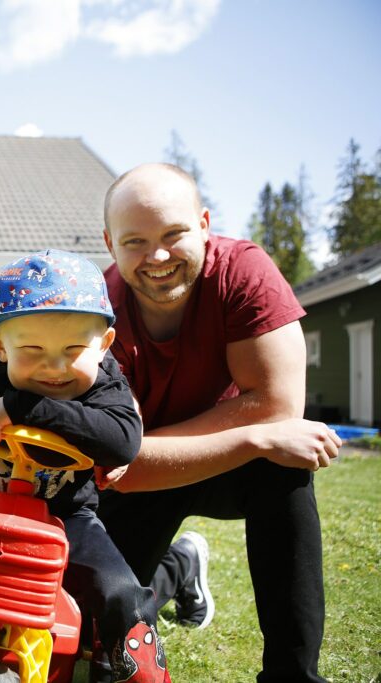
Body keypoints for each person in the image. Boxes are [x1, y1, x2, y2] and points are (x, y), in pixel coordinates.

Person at [97, 163, 342, 682]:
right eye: (136, 241)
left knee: (285, 466)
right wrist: (252, 432)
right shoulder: (98, 313)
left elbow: (278, 408)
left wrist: (259, 435)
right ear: (110, 243)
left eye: (174, 234)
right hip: (151, 478)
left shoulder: (244, 271)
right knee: (100, 633)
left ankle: (293, 675)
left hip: (237, 467)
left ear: (204, 224)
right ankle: (177, 569)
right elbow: (120, 465)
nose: (158, 256)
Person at [0, 250, 171, 683]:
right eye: (32, 349)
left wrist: (24, 404)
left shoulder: (107, 380)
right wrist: (45, 414)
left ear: (104, 344)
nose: (54, 367)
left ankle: (127, 666)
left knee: (119, 592)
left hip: (67, 512)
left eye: (74, 349)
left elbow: (123, 442)